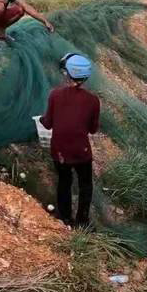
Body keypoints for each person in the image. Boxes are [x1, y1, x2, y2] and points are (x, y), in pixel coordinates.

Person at [41, 53, 100, 228]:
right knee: (85, 185)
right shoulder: (93, 100)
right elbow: (93, 129)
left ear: (67, 73)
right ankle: (82, 221)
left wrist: (42, 120)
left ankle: (66, 219)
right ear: (85, 77)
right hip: (81, 151)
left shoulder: (54, 95)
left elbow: (48, 123)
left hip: (59, 151)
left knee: (64, 182)